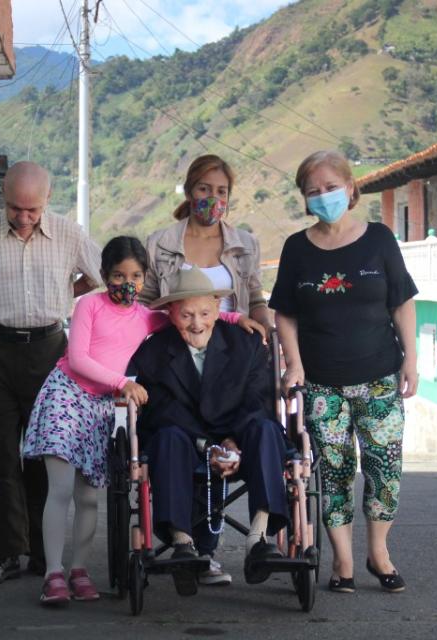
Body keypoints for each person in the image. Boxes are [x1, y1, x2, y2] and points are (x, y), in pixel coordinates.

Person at [21, 237, 263, 606]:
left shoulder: (146, 316)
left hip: (107, 407)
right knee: (60, 489)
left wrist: (236, 317)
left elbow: (191, 311)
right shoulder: (89, 304)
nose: (127, 283)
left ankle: (79, 571)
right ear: (104, 276)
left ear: (145, 276)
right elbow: (78, 357)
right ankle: (53, 572)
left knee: (89, 497)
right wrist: (122, 382)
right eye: (118, 275)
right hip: (69, 397)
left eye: (135, 275)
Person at [0, 161, 102, 586]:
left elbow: (100, 276)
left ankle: (45, 556)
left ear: (46, 201)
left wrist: (66, 290)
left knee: (46, 454)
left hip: (50, 351)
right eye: (14, 209)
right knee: (4, 453)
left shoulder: (68, 234)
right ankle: (4, 553)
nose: (23, 219)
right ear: (4, 200)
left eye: (32, 211)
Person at [268, 150, 418, 594]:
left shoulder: (379, 239)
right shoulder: (297, 248)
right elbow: (285, 315)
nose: (323, 196)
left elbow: (402, 302)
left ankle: (378, 553)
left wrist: (411, 357)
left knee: (383, 468)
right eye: (313, 191)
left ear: (351, 189)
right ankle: (344, 561)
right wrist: (293, 361)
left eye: (331, 187)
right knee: (332, 471)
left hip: (379, 378)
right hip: (321, 384)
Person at [139, 154, 270, 584]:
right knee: (176, 426)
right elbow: (147, 306)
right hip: (179, 345)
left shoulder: (244, 244)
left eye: (221, 192)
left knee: (259, 422)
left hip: (232, 350)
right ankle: (189, 546)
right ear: (189, 190)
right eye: (204, 190)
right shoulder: (160, 242)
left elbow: (253, 297)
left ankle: (257, 540)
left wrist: (264, 343)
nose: (212, 199)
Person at [130, 266, 289, 597]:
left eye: (204, 312)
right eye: (186, 314)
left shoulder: (246, 345)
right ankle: (183, 544)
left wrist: (231, 442)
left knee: (266, 428)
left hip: (241, 436)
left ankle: (258, 539)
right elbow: (161, 408)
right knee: (166, 437)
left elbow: (257, 399)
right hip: (187, 440)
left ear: (219, 310)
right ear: (170, 313)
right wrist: (207, 446)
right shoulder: (154, 350)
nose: (196, 323)